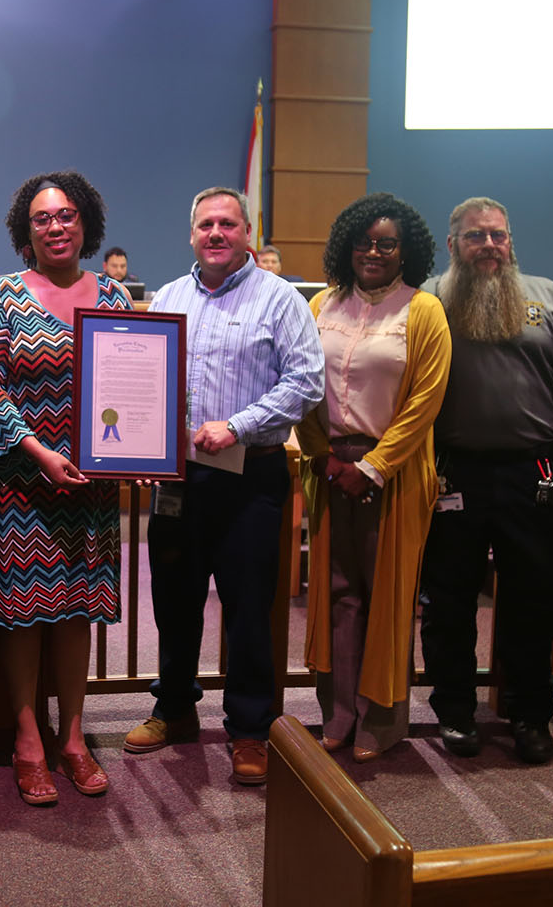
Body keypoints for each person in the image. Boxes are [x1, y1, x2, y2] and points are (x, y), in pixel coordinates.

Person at [123, 187, 323, 786]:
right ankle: (175, 709)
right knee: (175, 601)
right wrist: (136, 439)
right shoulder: (169, 296)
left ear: (246, 232)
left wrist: (236, 425)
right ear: (192, 234)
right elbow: (146, 377)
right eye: (206, 224)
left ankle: (250, 729)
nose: (216, 233)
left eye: (228, 224)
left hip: (250, 476)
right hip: (180, 479)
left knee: (248, 607)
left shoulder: (281, 299)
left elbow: (306, 381)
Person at [418, 197, 553, 765]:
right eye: (475, 236)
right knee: (448, 600)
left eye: (498, 235)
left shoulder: (550, 299)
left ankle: (530, 712)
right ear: (453, 246)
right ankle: (456, 712)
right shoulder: (427, 301)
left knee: (534, 601)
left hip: (536, 473)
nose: (489, 245)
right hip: (451, 473)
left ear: (511, 241)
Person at [0, 171, 132, 806]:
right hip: (20, 483)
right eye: (43, 218)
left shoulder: (116, 297)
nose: (56, 226)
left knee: (76, 616)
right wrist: (40, 452)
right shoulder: (5, 295)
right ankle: (27, 739)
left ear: (85, 223)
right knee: (23, 617)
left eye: (66, 215)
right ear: (25, 230)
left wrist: (136, 450)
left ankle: (72, 736)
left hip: (89, 487)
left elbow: (132, 385)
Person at [295, 193, 451, 761]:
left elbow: (426, 402)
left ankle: (380, 722)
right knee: (339, 595)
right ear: (347, 247)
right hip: (331, 469)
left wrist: (372, 467)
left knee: (386, 596)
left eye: (387, 243)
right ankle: (337, 713)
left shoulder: (424, 310)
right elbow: (303, 387)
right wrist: (321, 456)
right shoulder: (322, 306)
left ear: (406, 250)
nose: (375, 252)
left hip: (395, 473)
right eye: (364, 241)